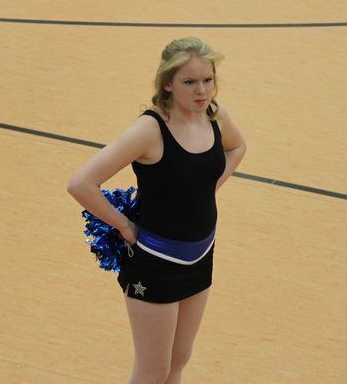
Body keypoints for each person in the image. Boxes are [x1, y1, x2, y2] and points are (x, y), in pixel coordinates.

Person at [67, 36, 246, 383]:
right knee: (153, 371)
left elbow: (237, 148)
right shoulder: (150, 130)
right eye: (189, 82)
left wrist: (206, 189)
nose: (202, 91)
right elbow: (81, 183)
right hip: (155, 262)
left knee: (178, 361)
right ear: (167, 83)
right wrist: (124, 226)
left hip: (200, 255)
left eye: (208, 80)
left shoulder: (214, 116)